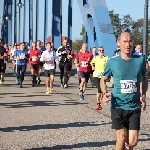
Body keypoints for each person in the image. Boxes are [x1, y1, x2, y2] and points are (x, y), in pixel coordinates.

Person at [100, 32, 148, 150]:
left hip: (134, 106)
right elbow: (103, 79)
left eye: (130, 41)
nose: (128, 44)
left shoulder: (140, 60)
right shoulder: (113, 61)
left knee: (132, 142)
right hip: (118, 106)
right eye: (124, 41)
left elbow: (145, 78)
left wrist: (143, 95)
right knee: (121, 137)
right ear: (118, 43)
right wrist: (105, 92)